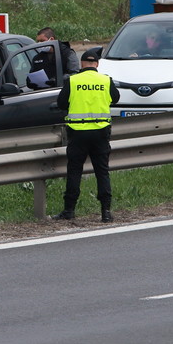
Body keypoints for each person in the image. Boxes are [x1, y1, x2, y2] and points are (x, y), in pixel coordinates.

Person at [53, 47, 120, 223]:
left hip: (78, 134)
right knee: (102, 172)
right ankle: (106, 212)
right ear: (96, 64)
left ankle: (69, 210)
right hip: (101, 133)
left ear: (82, 63)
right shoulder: (106, 80)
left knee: (74, 171)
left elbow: (61, 103)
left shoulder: (73, 80)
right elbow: (115, 98)